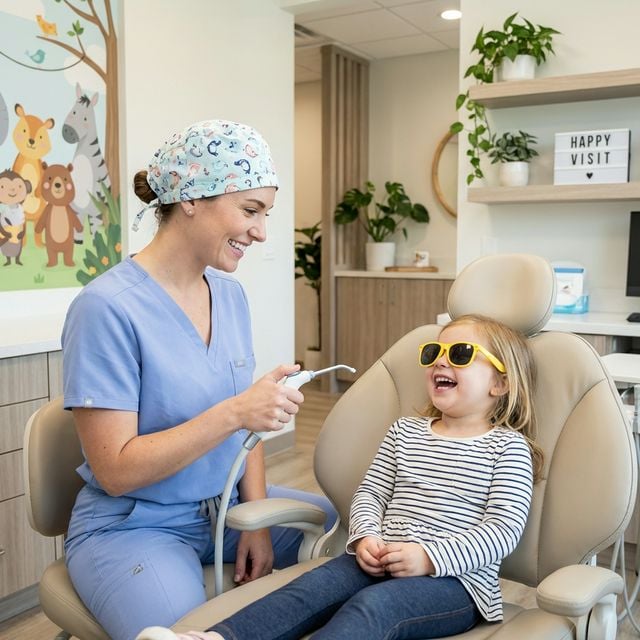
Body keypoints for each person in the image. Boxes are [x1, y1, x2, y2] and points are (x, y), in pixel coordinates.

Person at [61, 119, 338, 640]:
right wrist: (236, 411)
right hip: (135, 526)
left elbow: (247, 426)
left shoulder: (230, 297)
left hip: (225, 510)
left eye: (265, 214)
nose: (260, 232)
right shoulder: (105, 309)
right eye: (250, 211)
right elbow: (116, 471)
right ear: (191, 197)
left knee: (352, 534)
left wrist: (254, 513)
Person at [136, 313, 544, 640]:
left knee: (372, 610)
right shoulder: (406, 431)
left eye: (459, 353)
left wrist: (429, 558)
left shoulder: (507, 449)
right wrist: (366, 536)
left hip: (457, 584)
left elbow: (503, 530)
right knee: (307, 592)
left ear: (501, 383)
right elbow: (371, 494)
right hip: (377, 556)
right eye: (434, 351)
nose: (440, 359)